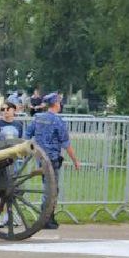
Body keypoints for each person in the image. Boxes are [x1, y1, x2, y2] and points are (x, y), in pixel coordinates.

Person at [26, 91, 80, 229]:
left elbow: (27, 135)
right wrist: (75, 160)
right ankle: (47, 217)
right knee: (52, 188)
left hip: (40, 157)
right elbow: (66, 144)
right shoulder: (58, 121)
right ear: (56, 103)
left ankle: (48, 216)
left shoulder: (37, 118)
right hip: (52, 158)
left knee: (48, 186)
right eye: (59, 102)